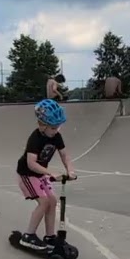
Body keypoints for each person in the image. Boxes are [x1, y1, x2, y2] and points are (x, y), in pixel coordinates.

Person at [15, 99, 76, 250]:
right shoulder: (35, 138)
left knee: (53, 201)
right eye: (53, 127)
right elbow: (31, 164)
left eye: (58, 127)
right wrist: (51, 173)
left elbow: (64, 155)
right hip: (27, 174)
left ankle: (50, 237)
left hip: (40, 174)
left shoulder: (56, 136)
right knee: (44, 202)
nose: (56, 130)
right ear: (42, 125)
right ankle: (28, 236)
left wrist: (70, 170)